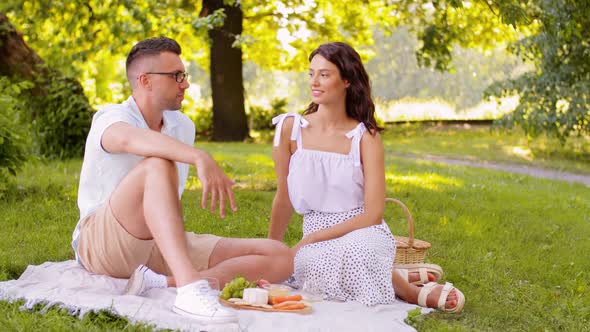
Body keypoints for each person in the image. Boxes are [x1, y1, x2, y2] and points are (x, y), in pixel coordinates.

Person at [72, 37, 293, 324]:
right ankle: (190, 291)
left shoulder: (182, 125)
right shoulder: (111, 118)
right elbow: (128, 138)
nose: (185, 84)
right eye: (176, 76)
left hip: (157, 244)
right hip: (102, 245)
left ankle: (167, 283)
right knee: (157, 164)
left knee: (279, 256)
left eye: (184, 75)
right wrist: (199, 156)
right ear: (145, 80)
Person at [268, 42, 465, 312]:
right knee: (313, 265)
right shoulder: (290, 130)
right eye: (311, 73)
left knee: (359, 253)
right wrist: (271, 254)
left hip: (361, 227)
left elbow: (373, 214)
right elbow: (283, 197)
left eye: (324, 74)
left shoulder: (365, 137)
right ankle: (394, 275)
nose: (314, 81)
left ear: (347, 80)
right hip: (315, 227)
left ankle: (407, 291)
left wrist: (311, 240)